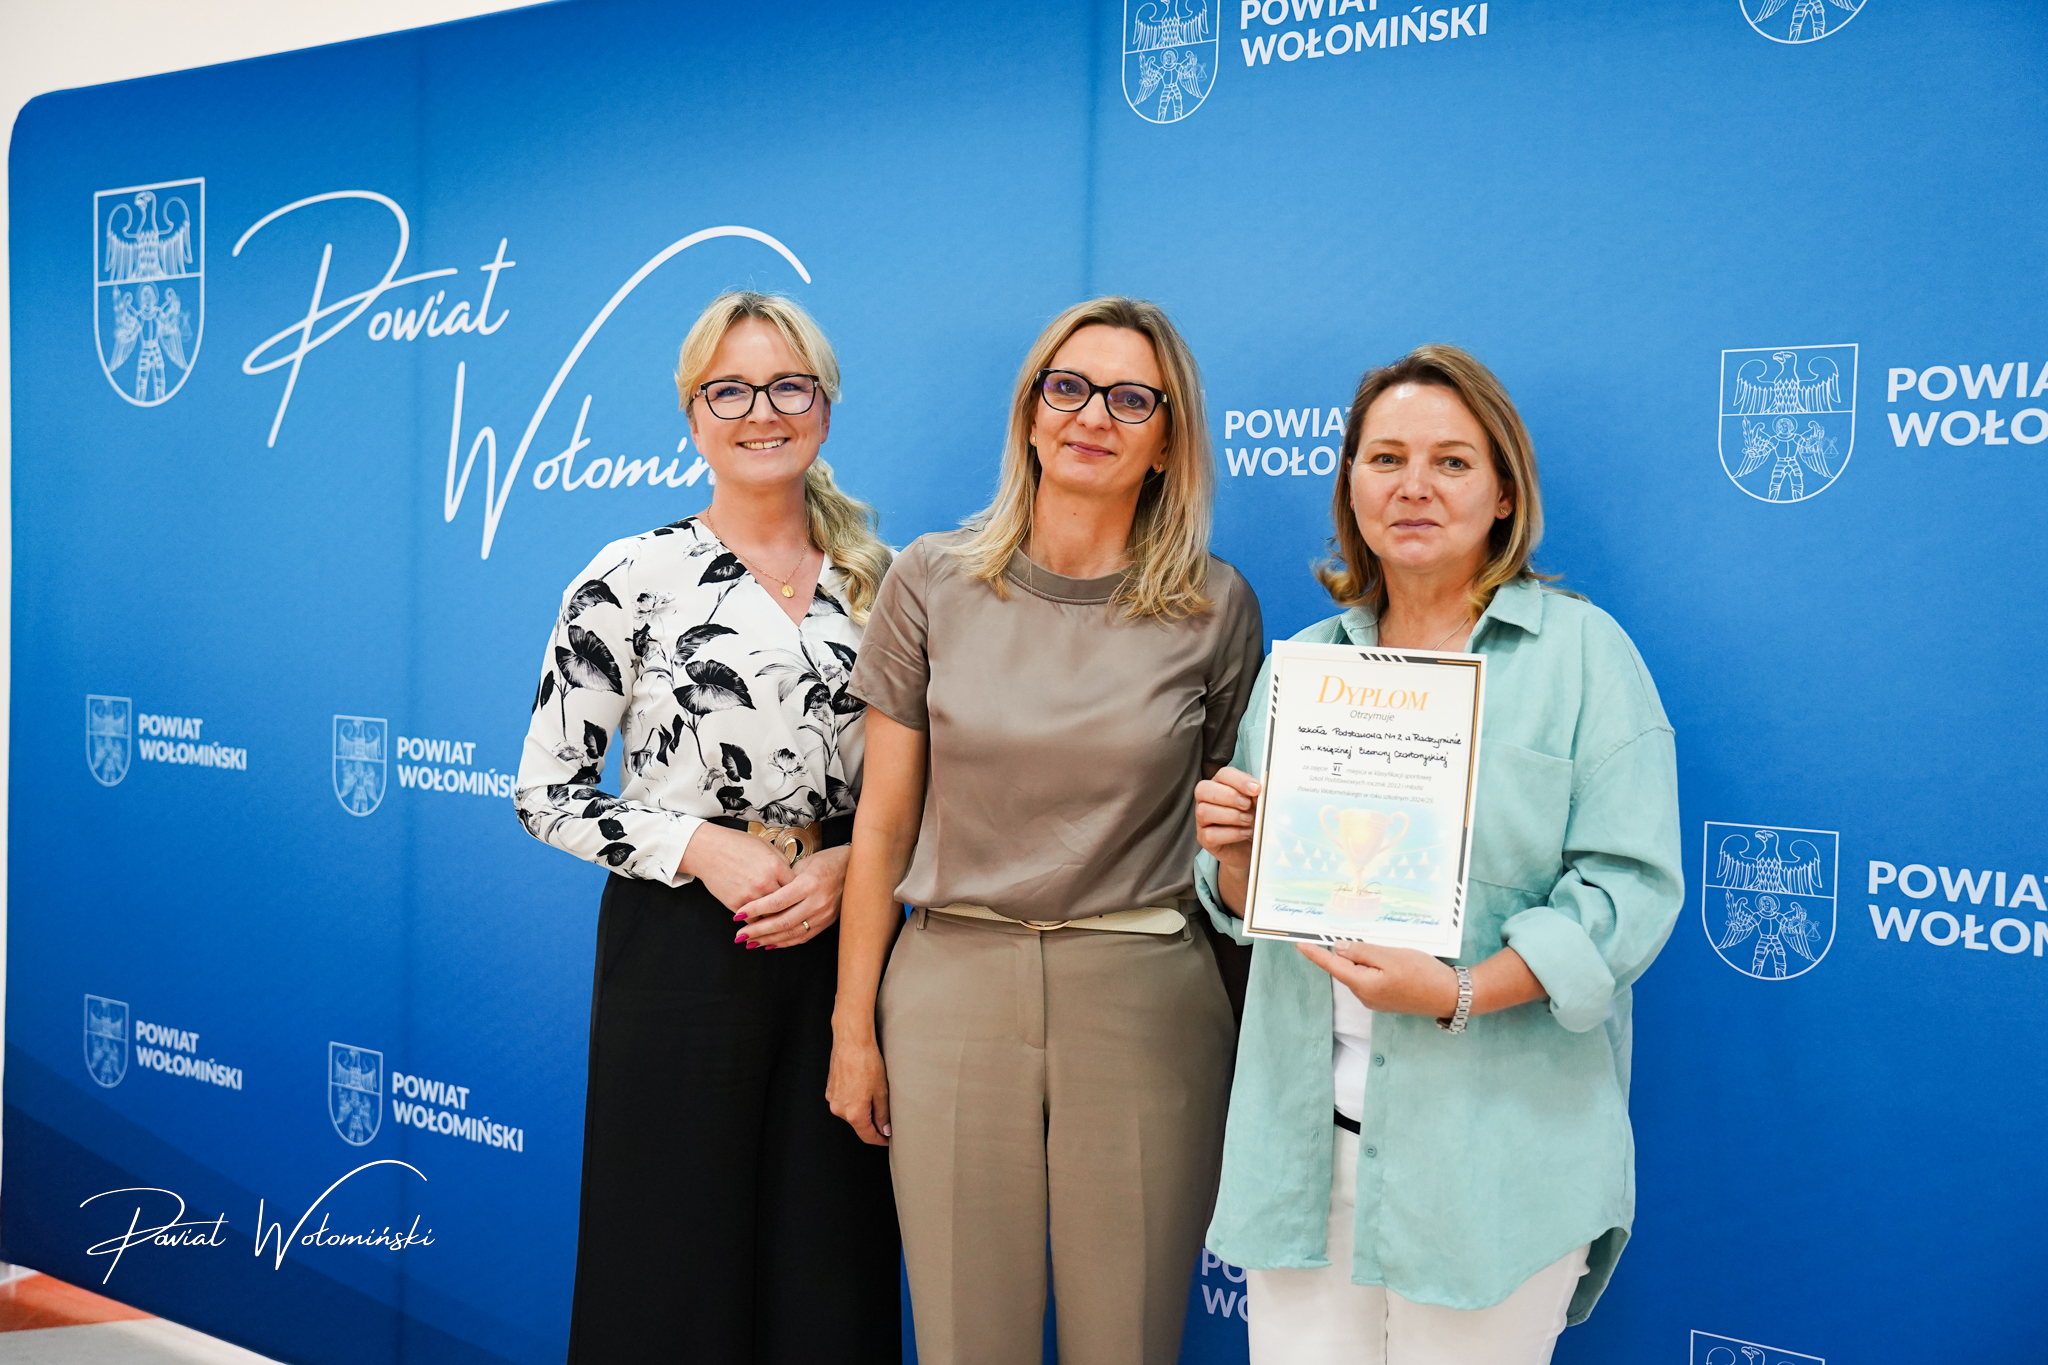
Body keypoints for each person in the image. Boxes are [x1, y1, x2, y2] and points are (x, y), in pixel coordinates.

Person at [1193, 344, 1682, 1364]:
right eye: (1386, 459)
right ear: (1350, 487)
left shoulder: (1583, 657)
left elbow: (1625, 892)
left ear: (1503, 493)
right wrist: (1236, 852)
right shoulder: (1305, 667)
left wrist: (1458, 991)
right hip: (1304, 1152)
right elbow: (1243, 899)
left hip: (1492, 1164)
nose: (1413, 485)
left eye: (1451, 461)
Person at [826, 297, 1263, 1365]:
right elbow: (882, 825)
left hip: (1146, 998)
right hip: (951, 988)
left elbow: (1236, 848)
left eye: (1130, 399)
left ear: (1168, 441)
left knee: (1128, 1337)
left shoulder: (1216, 606)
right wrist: (851, 1028)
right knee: (965, 1336)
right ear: (1029, 413)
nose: (1092, 416)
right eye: (1067, 387)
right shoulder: (929, 579)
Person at [514, 291, 899, 1363]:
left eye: (788, 387)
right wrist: (698, 846)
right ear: (693, 414)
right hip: (683, 947)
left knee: (830, 1260)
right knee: (670, 1263)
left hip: (847, 951)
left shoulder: (886, 584)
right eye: (730, 390)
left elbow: (919, 793)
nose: (761, 411)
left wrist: (848, 868)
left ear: (824, 406)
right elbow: (546, 792)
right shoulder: (629, 576)